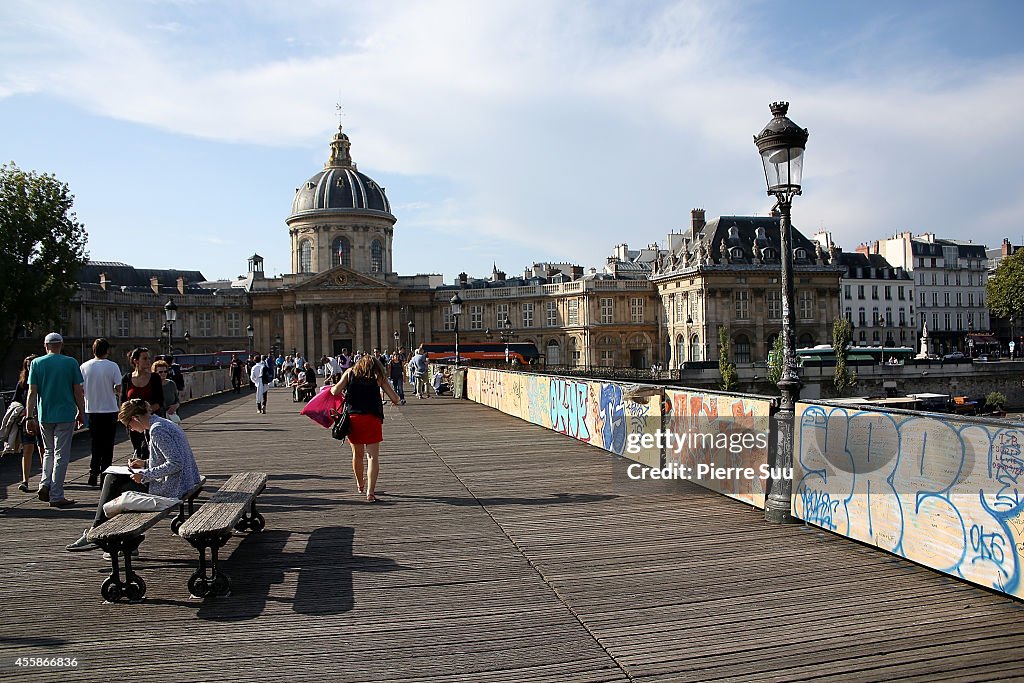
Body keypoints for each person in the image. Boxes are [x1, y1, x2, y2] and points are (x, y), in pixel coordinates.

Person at [66, 398, 202, 552]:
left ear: (135, 418)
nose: (130, 429)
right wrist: (144, 463)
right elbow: (170, 458)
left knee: (113, 482)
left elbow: (176, 463)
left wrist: (144, 475)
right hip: (184, 481)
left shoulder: (157, 430)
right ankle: (105, 533)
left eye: (129, 425)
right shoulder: (162, 423)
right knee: (114, 479)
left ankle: (99, 533)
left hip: (173, 487)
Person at [331, 356, 402, 503]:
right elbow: (395, 398)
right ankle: (370, 492)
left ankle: (360, 484)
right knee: (372, 457)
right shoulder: (378, 377)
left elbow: (335, 391)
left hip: (353, 419)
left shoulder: (350, 373)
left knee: (357, 455)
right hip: (372, 419)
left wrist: (330, 389)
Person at [26, 332, 85, 508]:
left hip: (45, 414)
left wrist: (29, 416)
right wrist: (81, 411)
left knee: (49, 452)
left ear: (45, 346)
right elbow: (77, 391)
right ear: (61, 345)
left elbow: (32, 392)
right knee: (61, 454)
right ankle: (57, 494)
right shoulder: (71, 363)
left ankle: (44, 483)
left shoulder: (36, 363)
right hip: (65, 413)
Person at [80, 338, 123, 488]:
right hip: (110, 409)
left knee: (95, 443)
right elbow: (118, 387)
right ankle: (105, 473)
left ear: (93, 351)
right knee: (108, 444)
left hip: (91, 409)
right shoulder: (113, 366)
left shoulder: (84, 366)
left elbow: (80, 388)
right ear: (108, 350)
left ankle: (93, 471)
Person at [120, 347, 163, 458]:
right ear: (135, 361)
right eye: (145, 358)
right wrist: (131, 418)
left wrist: (144, 414)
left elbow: (159, 401)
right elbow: (123, 402)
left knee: (151, 451)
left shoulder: (154, 378)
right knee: (139, 451)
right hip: (133, 423)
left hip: (151, 421)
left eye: (149, 358)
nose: (148, 361)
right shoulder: (127, 378)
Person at [11, 355, 41, 493]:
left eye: (32, 365)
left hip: (41, 418)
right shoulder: (22, 383)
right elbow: (15, 400)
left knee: (43, 449)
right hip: (26, 419)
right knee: (27, 449)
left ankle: (47, 478)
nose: (30, 368)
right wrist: (22, 412)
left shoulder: (42, 380)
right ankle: (25, 481)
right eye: (27, 365)